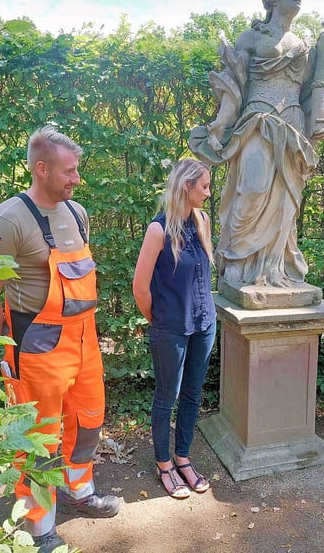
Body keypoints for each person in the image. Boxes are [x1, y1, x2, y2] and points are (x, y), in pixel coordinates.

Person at [0, 125, 121, 553]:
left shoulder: (78, 213)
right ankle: (39, 528)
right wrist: (4, 345)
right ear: (41, 169)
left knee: (87, 420)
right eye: (69, 171)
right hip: (35, 349)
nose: (76, 179)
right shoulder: (7, 220)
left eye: (76, 171)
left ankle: (80, 491)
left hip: (85, 343)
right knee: (38, 438)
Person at [188, 0, 324, 291]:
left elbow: (317, 90)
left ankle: (278, 268)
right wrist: (220, 125)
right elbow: (234, 85)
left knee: (286, 198)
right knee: (252, 186)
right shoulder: (250, 37)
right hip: (256, 121)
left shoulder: (304, 44)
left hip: (293, 125)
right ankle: (237, 261)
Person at [132, 158, 217, 499]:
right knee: (167, 397)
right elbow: (140, 287)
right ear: (186, 186)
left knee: (194, 394)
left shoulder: (202, 222)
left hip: (204, 325)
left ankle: (183, 457)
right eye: (205, 186)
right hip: (171, 328)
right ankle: (164, 464)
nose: (209, 193)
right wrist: (161, 320)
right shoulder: (159, 229)